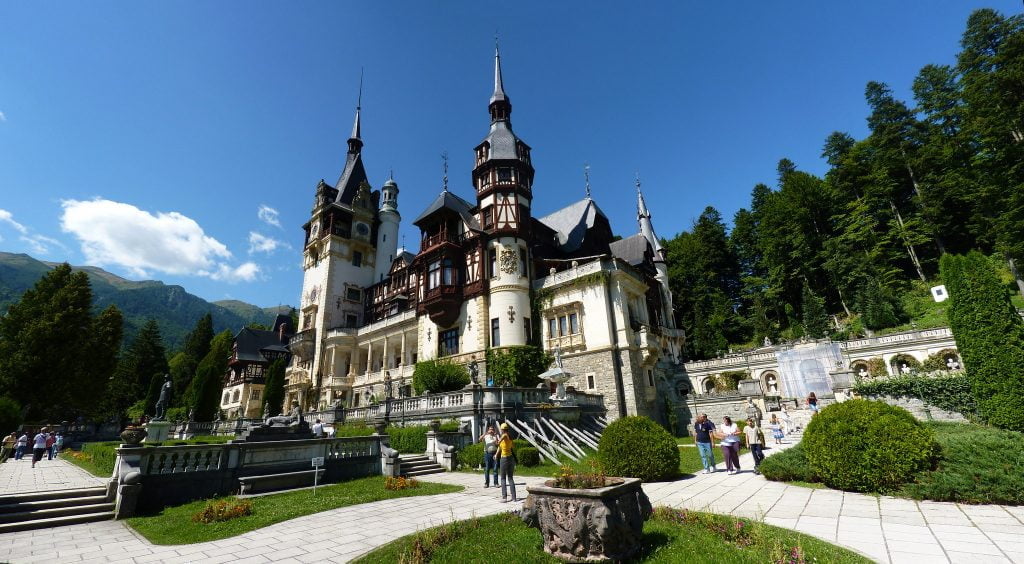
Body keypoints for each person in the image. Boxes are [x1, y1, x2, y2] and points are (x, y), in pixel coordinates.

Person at [496, 422, 517, 502]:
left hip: (504, 459)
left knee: (503, 478)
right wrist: (496, 454)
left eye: (501, 430)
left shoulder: (504, 435)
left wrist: (498, 439)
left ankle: (504, 497)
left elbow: (499, 442)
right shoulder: (510, 437)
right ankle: (514, 498)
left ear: (502, 429)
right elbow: (510, 446)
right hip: (511, 458)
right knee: (510, 478)